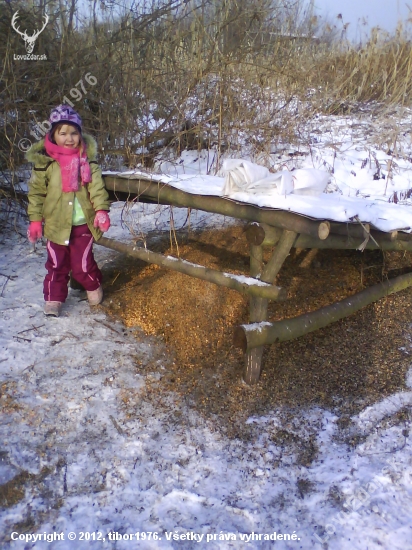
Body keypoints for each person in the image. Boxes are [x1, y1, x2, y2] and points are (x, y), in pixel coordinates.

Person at [26, 105, 111, 317]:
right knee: (56, 264)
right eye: (63, 133)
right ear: (53, 135)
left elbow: (96, 188)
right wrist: (36, 221)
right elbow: (36, 194)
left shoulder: (87, 162)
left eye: (74, 132)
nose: (69, 138)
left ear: (80, 135)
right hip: (56, 225)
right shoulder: (46, 164)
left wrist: (101, 210)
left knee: (82, 263)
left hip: (83, 224)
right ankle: (54, 298)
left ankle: (93, 285)